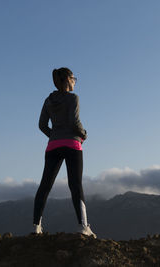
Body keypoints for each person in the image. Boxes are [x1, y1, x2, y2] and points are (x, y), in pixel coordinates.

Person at [33, 67, 96, 238]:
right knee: (75, 185)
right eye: (74, 78)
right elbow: (74, 121)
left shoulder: (48, 100)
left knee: (45, 185)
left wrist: (54, 135)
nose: (75, 81)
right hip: (72, 144)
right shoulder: (73, 98)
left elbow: (41, 125)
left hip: (53, 146)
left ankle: (36, 227)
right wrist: (83, 134)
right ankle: (83, 226)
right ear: (68, 79)